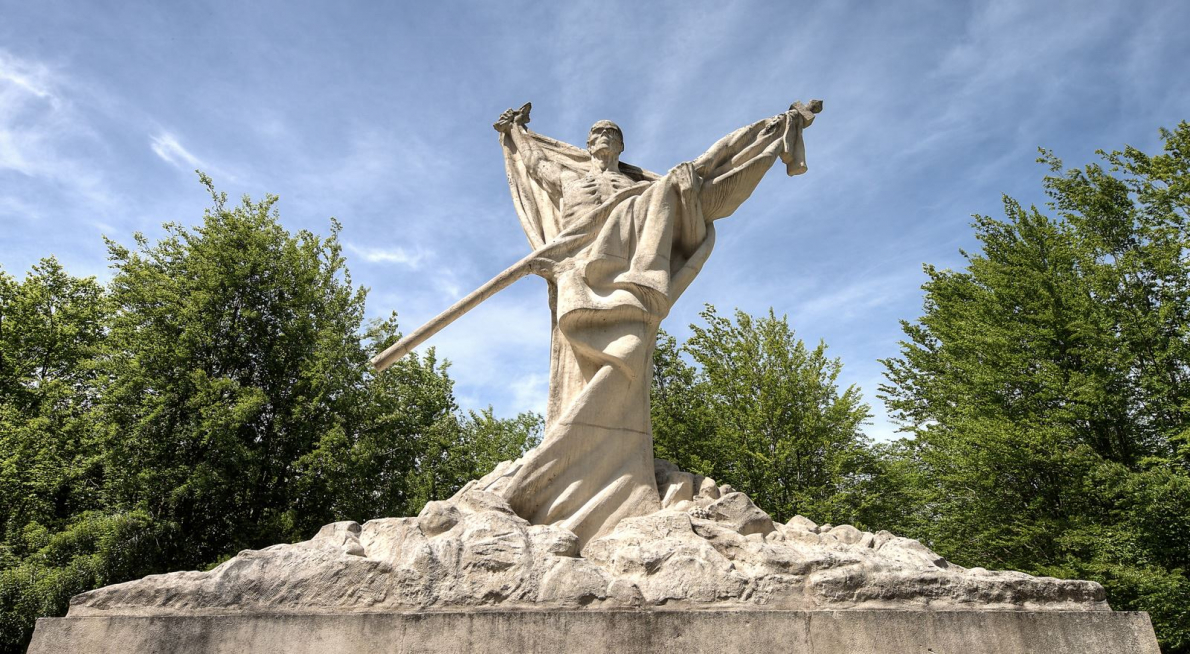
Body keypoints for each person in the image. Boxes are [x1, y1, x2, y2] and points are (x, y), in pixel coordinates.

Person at [473, 102, 819, 550]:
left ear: (620, 146)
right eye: (597, 133)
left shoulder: (642, 188)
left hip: (628, 283)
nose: (604, 136)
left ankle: (771, 135)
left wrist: (756, 141)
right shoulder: (569, 179)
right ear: (588, 145)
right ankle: (559, 476)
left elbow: (708, 182)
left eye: (612, 133)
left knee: (682, 182)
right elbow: (536, 165)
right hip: (578, 275)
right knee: (581, 367)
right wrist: (516, 133)